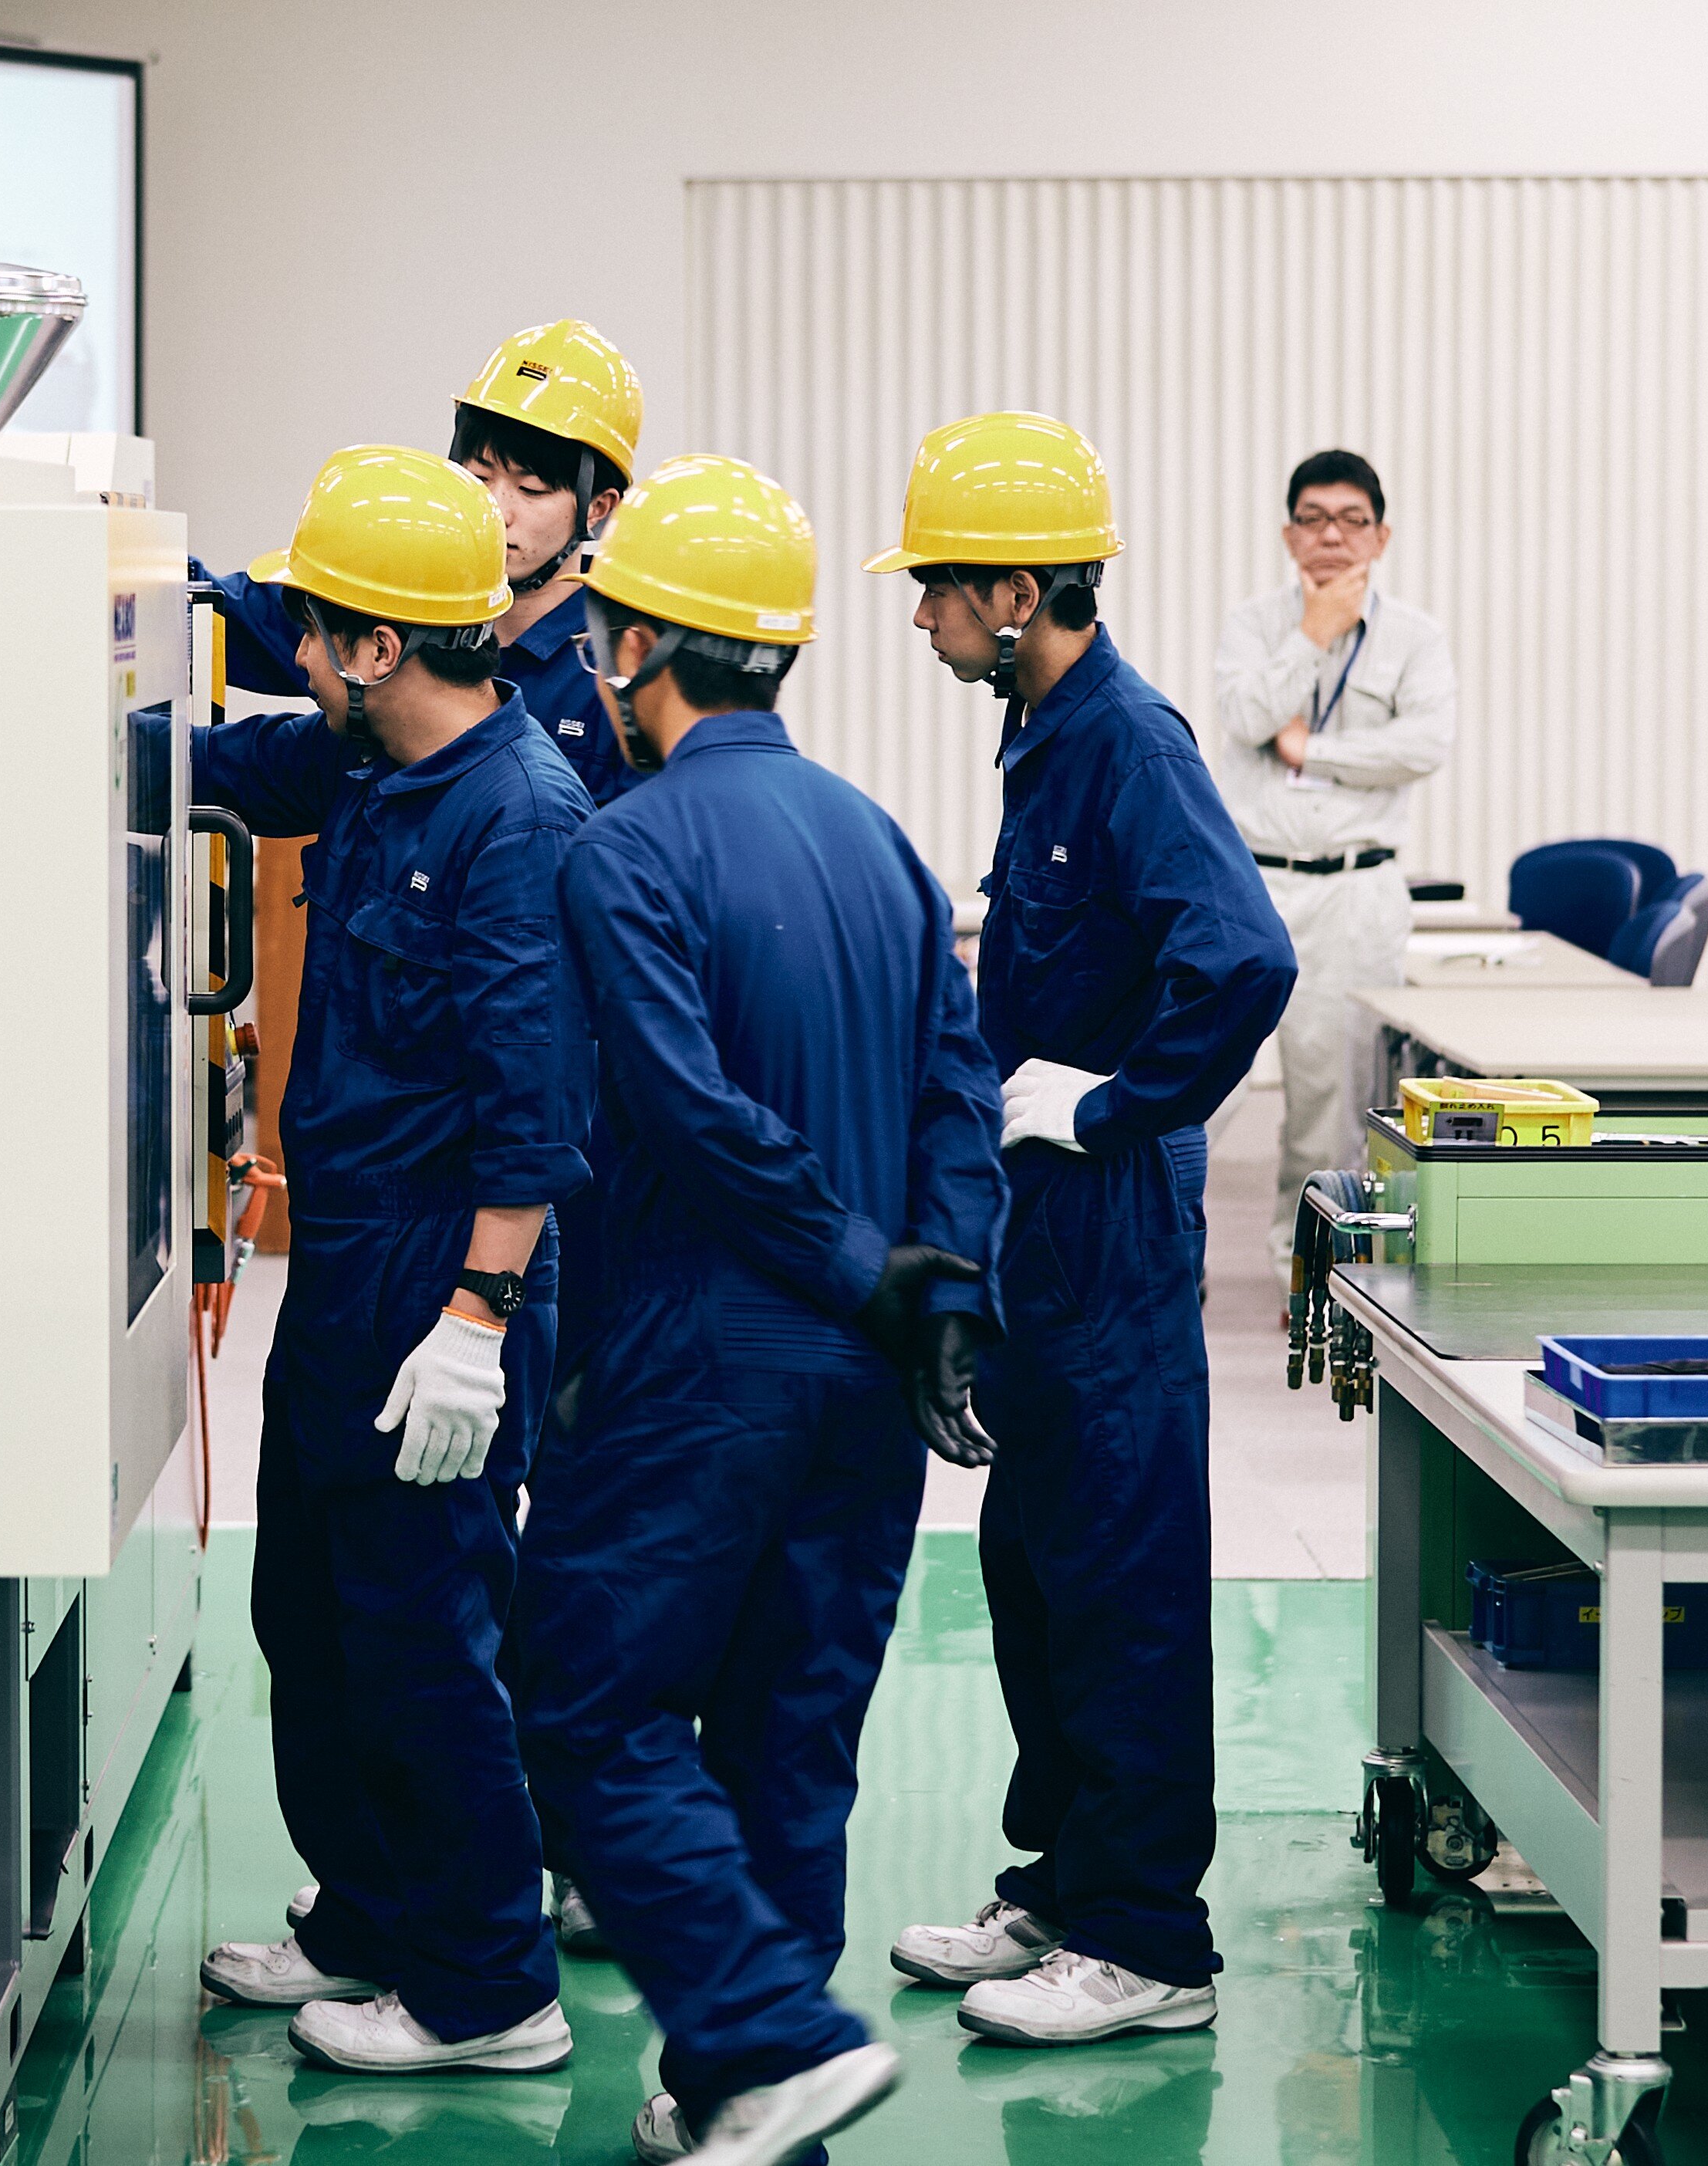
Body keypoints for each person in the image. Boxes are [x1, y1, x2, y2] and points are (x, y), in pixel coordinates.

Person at [505, 455, 1004, 2166]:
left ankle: (765, 2033)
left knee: (586, 1703)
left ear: (638, 644)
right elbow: (958, 1088)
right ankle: (747, 2100)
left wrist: (867, 1268)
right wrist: (940, 1286)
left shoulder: (621, 851)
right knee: (792, 1737)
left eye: (605, 633)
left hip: (699, 1362)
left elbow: (690, 1115)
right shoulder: (882, 844)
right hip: (870, 1383)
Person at [863, 412, 1292, 2048]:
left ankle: (1147, 1939)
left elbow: (1242, 958)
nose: (922, 615)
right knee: (1033, 1554)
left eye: (940, 588)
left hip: (1106, 1213)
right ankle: (1062, 1880)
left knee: (1116, 1565)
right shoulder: (1042, 732)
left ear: (1021, 593)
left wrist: (1117, 1102)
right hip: (1043, 1215)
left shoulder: (1127, 742)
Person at [188, 445, 591, 2080]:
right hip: (346, 1264)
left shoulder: (517, 817)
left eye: (313, 629)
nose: (293, 653)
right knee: (313, 1608)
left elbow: (537, 1108)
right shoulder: (368, 759)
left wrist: (476, 1321)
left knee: (425, 1634)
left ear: (377, 646)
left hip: (440, 1278)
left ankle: (491, 1986)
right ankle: (368, 1909)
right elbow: (204, 753)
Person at [201, 320, 647, 806]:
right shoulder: (398, 593)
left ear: (598, 507)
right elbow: (209, 617)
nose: (496, 510)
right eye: (478, 477)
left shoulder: (621, 667)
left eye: (531, 489)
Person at [1205, 449, 1454, 1249]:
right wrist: (1313, 635)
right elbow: (1245, 717)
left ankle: (1300, 1262)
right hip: (1252, 885)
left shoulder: (1414, 637)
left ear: (1381, 536)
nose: (1332, 537)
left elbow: (1424, 743)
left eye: (1352, 520)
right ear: (1289, 535)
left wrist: (1311, 750)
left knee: (1329, 1101)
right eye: (1313, 520)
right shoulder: (1254, 625)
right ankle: (1169, 1252)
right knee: (1205, 1080)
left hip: (1354, 890)